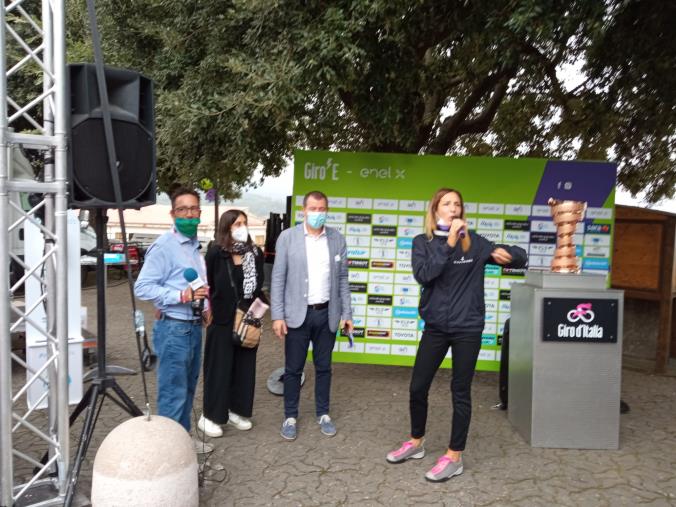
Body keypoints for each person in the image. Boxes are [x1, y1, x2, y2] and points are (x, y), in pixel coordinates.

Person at [386, 187, 527, 482]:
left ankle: (454, 456)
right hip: (436, 327)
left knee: (460, 391)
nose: (453, 209)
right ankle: (416, 442)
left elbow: (516, 256)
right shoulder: (422, 243)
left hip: (467, 328)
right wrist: (449, 242)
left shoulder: (473, 244)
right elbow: (425, 274)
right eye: (447, 204)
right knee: (417, 387)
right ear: (436, 210)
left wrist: (510, 256)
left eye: (457, 205)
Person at [271, 190, 353, 441]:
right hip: (297, 315)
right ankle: (290, 416)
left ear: (327, 210)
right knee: (293, 369)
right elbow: (278, 278)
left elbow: (342, 279)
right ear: (304, 211)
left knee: (324, 367)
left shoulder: (337, 239)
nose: (318, 214)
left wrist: (347, 313)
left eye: (322, 209)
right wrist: (277, 315)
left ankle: (323, 413)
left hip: (326, 314)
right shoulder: (288, 238)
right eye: (313, 209)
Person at [134, 187, 211, 440]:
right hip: (174, 330)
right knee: (172, 396)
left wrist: (206, 308)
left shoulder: (193, 247)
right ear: (173, 213)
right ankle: (167, 457)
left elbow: (195, 283)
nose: (189, 215)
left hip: (193, 327)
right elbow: (143, 287)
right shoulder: (165, 246)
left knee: (188, 392)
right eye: (183, 210)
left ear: (200, 213)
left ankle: (182, 449)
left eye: (193, 209)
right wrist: (179, 297)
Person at [198, 210, 267, 437]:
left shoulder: (255, 253)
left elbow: (259, 285)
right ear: (226, 227)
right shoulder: (216, 253)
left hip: (247, 319)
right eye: (237, 223)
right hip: (222, 319)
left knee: (244, 368)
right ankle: (210, 415)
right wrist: (207, 310)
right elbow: (207, 284)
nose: (242, 227)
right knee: (219, 368)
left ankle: (237, 410)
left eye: (244, 223)